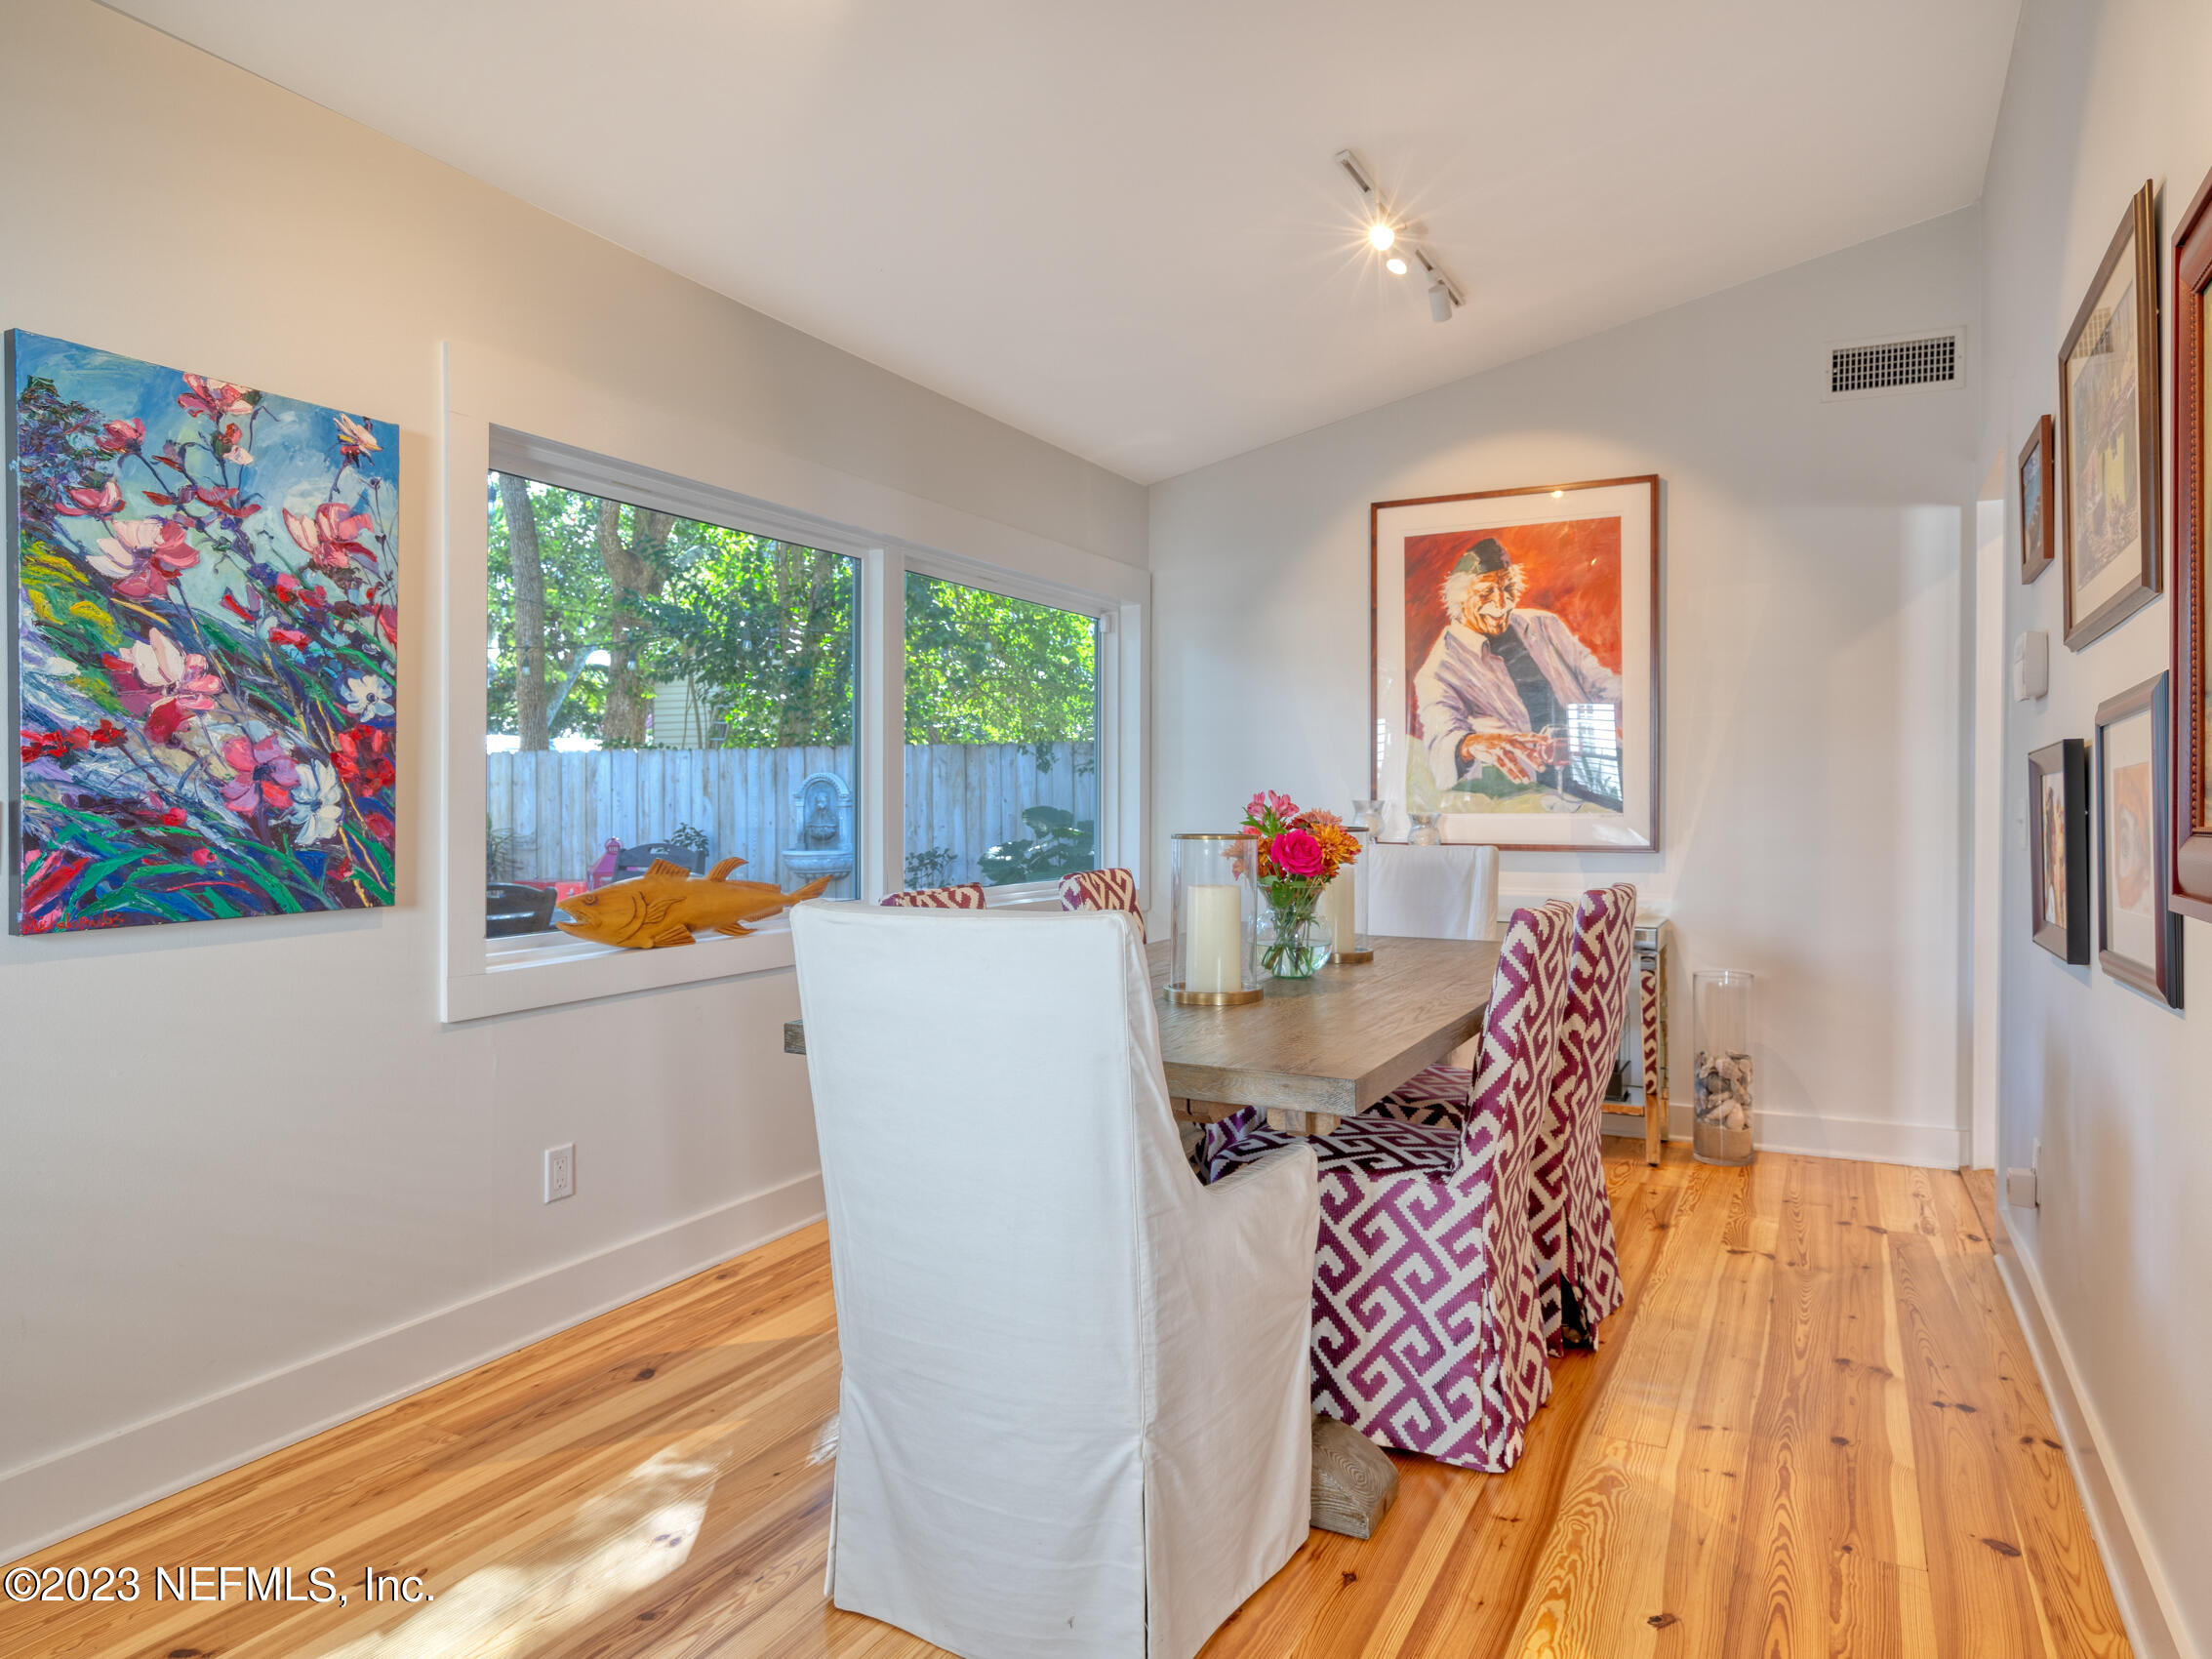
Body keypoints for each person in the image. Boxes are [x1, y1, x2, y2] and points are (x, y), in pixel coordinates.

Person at [1413, 537, 1622, 803]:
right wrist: (1471, 744)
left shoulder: (1544, 625)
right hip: (1535, 792)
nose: (1502, 603)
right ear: (1459, 599)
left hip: (1601, 770)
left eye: (1508, 588)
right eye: (1487, 592)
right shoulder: (1440, 669)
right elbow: (1441, 743)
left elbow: (1600, 684)